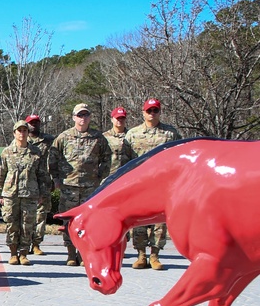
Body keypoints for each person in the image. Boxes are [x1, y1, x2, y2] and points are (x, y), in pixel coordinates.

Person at [49, 103, 111, 266]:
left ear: (90, 117)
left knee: (88, 223)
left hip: (90, 188)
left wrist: (100, 178)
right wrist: (56, 179)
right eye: (79, 115)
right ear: (73, 118)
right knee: (69, 222)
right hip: (68, 187)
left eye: (85, 115)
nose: (83, 118)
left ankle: (84, 254)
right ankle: (70, 254)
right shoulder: (63, 137)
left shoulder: (98, 138)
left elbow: (106, 159)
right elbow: (52, 160)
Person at [125, 98, 182, 270]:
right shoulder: (132, 134)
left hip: (162, 184)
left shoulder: (170, 134)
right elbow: (125, 161)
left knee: (160, 221)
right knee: (139, 220)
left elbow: (178, 157)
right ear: (143, 113)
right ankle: (141, 255)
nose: (152, 114)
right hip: (140, 184)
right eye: (149, 111)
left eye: (155, 110)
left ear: (159, 112)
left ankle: (155, 255)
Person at [0, 120, 50, 265]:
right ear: (14, 133)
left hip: (30, 194)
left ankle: (24, 253)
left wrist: (42, 194)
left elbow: (42, 174)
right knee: (11, 224)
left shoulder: (35, 153)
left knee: (27, 225)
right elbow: (0, 173)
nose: (22, 133)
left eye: (24, 130)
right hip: (10, 194)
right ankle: (13, 253)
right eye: (19, 131)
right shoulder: (7, 152)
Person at [24, 114, 54, 256]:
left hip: (44, 182)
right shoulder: (22, 139)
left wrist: (55, 179)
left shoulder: (48, 140)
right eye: (31, 123)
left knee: (41, 215)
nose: (34, 125)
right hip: (26, 183)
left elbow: (56, 159)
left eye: (36, 122)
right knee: (26, 215)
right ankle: (24, 243)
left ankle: (36, 244)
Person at [105, 106, 137, 174]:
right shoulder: (104, 137)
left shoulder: (131, 135)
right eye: (117, 118)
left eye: (122, 118)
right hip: (109, 175)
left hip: (126, 174)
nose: (120, 120)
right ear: (112, 119)